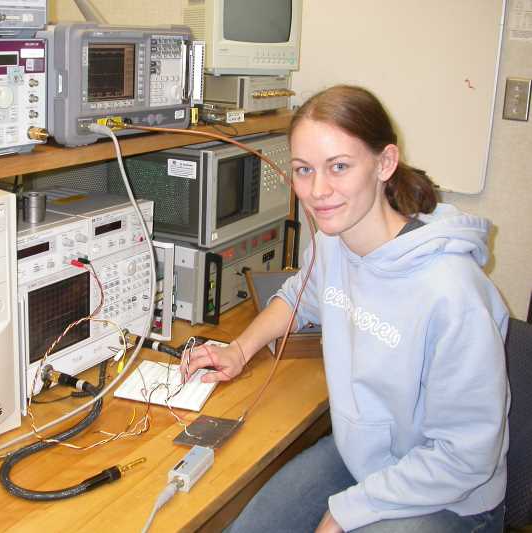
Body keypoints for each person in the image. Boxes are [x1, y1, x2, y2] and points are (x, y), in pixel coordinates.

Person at [182, 85, 509, 533]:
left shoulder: (452, 293)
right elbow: (300, 295)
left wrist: (345, 513)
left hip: (448, 492)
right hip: (364, 458)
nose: (318, 191)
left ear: (384, 164)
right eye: (303, 170)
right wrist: (240, 349)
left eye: (339, 167)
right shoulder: (334, 242)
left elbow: (466, 456)